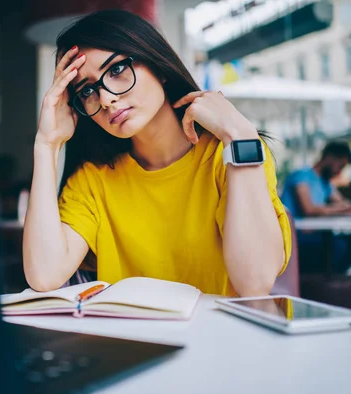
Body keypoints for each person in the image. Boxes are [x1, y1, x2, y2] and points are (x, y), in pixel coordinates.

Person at [23, 10, 291, 296]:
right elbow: (44, 275)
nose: (106, 98)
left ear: (158, 66)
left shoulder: (230, 155)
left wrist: (238, 133)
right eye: (87, 91)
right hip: (134, 340)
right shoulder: (94, 180)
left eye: (115, 70)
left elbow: (256, 282)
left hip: (222, 338)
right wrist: (46, 145)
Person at [281, 141, 351, 274]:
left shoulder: (325, 182)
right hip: (296, 238)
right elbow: (309, 209)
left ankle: (328, 279)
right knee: (338, 247)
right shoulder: (302, 175)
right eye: (340, 166)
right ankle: (321, 279)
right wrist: (342, 209)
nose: (339, 172)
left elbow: (343, 203)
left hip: (316, 234)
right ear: (329, 157)